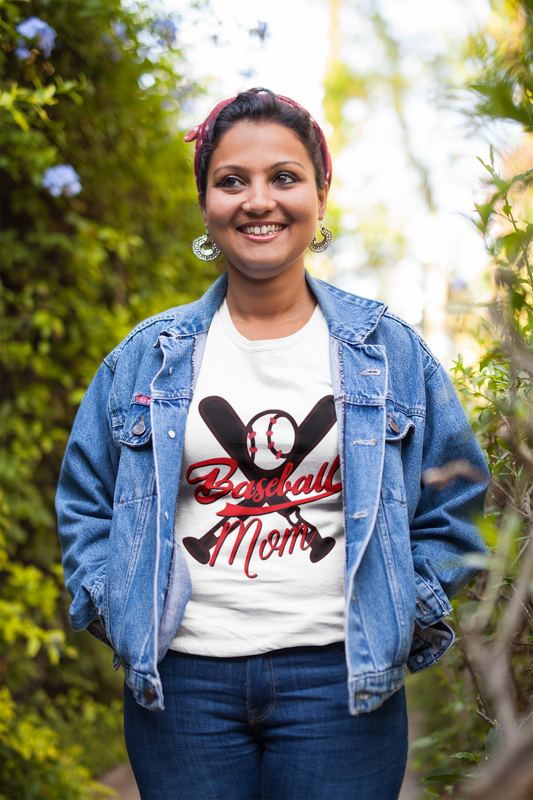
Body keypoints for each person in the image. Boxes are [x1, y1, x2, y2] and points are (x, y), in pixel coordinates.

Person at [56, 88, 490, 800]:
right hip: (182, 685)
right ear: (205, 202)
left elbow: (454, 501)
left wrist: (400, 611)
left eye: (283, 177)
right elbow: (86, 505)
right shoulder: (143, 358)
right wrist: (120, 609)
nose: (258, 200)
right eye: (232, 181)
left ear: (320, 193)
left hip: (342, 681)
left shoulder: (389, 353)